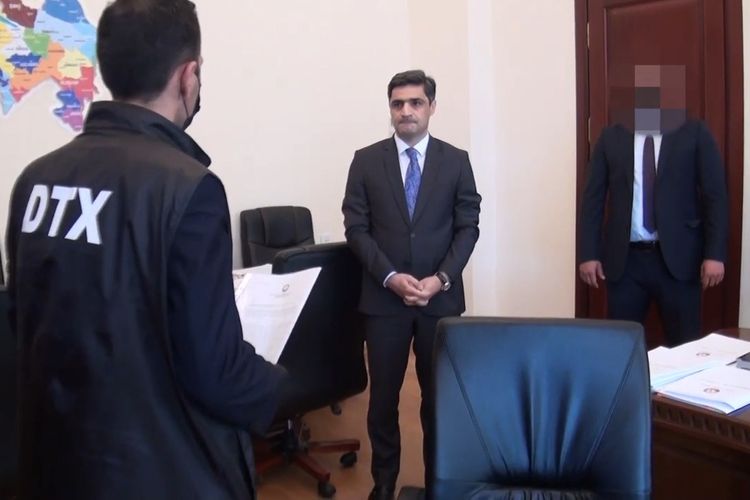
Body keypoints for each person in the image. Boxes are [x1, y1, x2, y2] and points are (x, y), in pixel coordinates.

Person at [6, 1, 285, 499]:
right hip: (157, 471)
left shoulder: (34, 181)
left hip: (54, 464)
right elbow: (214, 373)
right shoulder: (188, 189)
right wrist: (283, 386)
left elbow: (26, 325)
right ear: (188, 76)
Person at [342, 69, 481, 500]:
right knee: (383, 401)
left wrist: (441, 279)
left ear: (431, 107)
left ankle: (440, 481)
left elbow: (468, 227)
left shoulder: (456, 161)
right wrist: (390, 277)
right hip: (383, 302)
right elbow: (356, 229)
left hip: (439, 301)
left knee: (437, 399)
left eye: (416, 102)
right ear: (390, 109)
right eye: (398, 103)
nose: (406, 111)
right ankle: (384, 483)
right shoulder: (366, 161)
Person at [578, 64, 728, 346]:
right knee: (620, 345)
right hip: (626, 263)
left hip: (680, 261)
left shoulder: (694, 133)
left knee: (684, 346)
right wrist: (588, 253)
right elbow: (592, 200)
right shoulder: (611, 138)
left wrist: (715, 254)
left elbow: (715, 197)